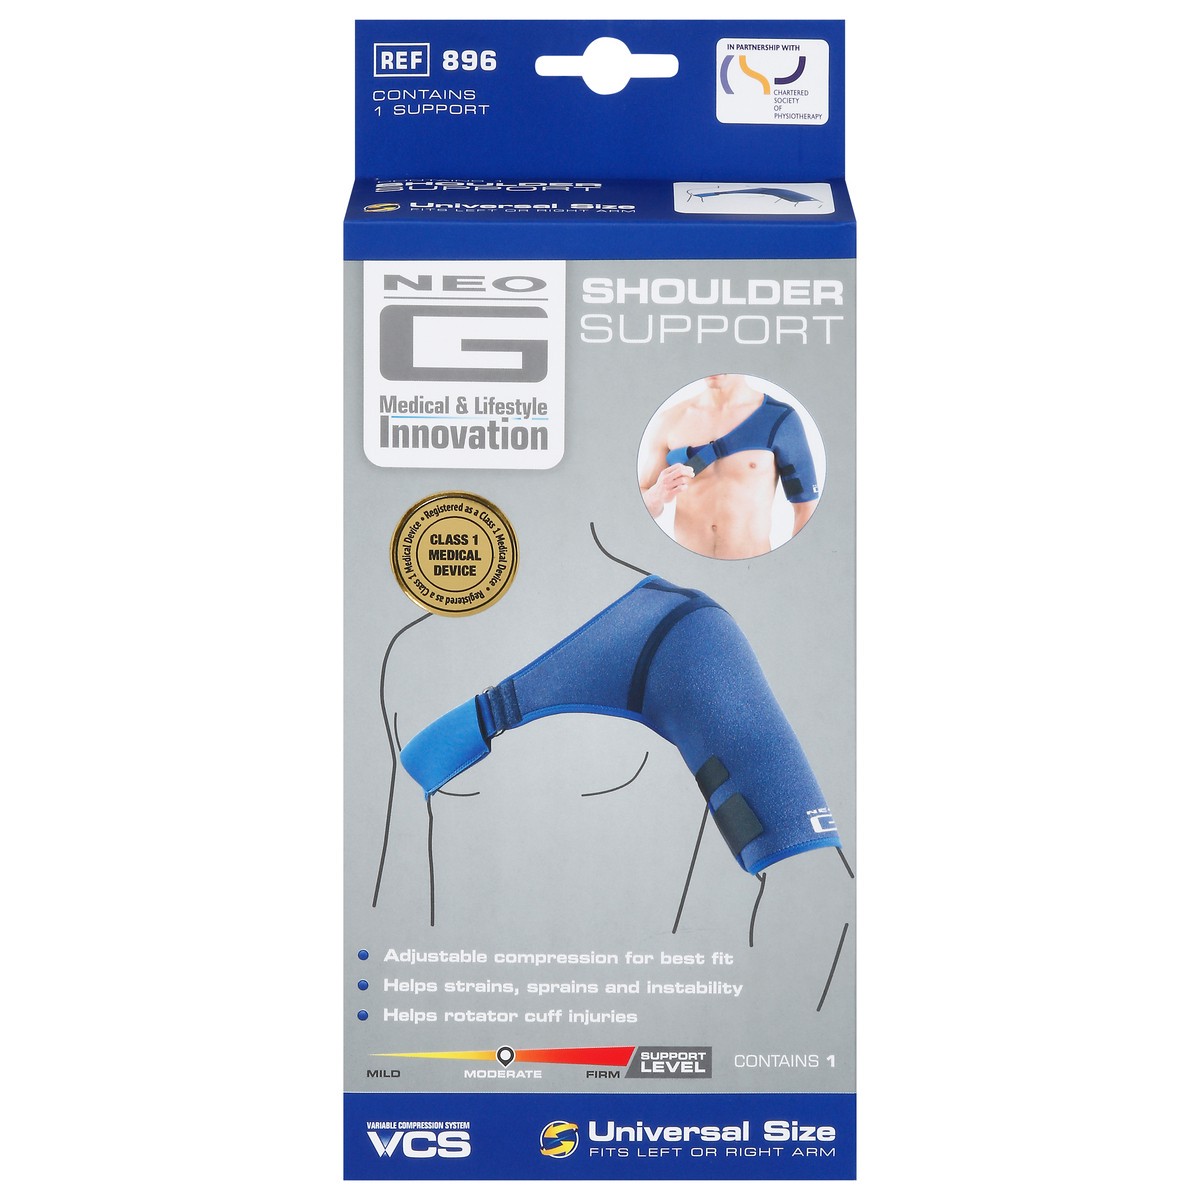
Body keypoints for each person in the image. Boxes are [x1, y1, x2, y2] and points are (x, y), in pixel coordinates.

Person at [639, 374, 818, 559]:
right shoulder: (669, 420)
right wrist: (656, 495)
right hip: (686, 565)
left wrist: (791, 565)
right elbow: (641, 503)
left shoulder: (779, 419)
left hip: (752, 566)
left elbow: (806, 508)